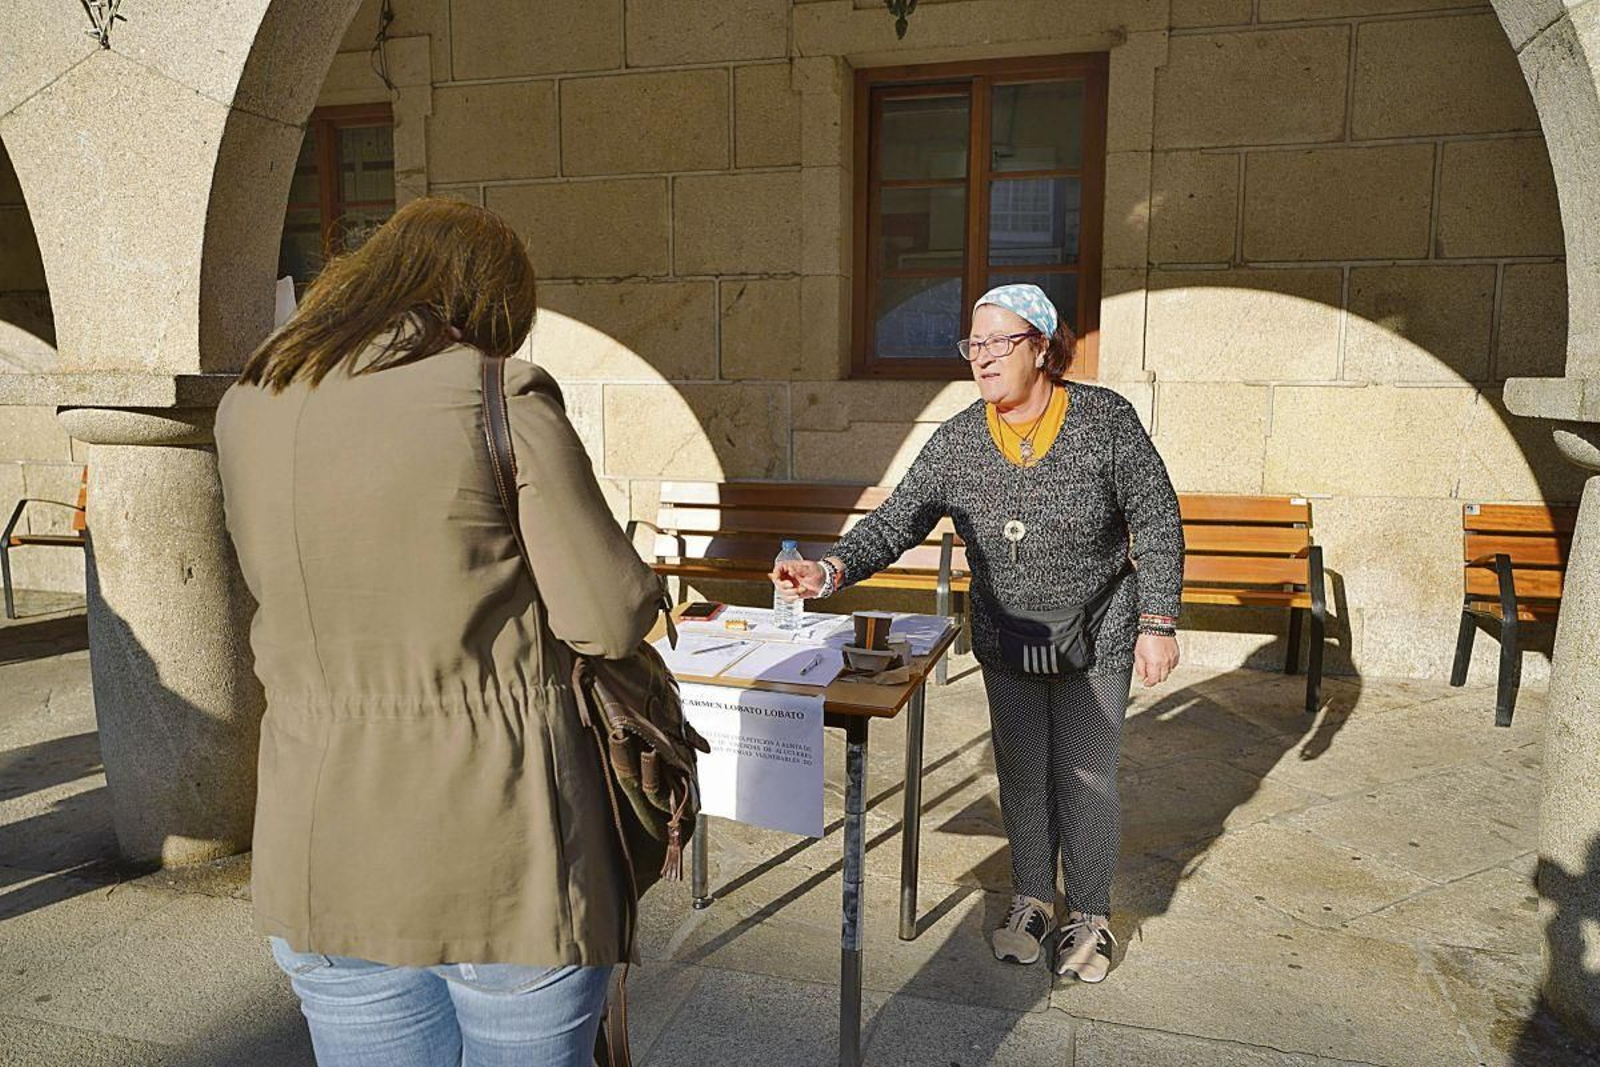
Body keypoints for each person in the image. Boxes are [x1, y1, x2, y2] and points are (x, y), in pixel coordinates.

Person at [215, 197, 663, 1066]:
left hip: (322, 845)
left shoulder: (250, 403)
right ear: (485, 303)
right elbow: (607, 617)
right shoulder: (495, 389)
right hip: (500, 847)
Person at [772, 284, 1184, 984]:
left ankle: (1089, 912)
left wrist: (1158, 621)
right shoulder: (961, 438)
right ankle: (1031, 899)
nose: (982, 357)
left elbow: (1157, 516)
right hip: (1008, 632)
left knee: (1085, 777)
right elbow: (899, 517)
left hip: (1100, 628)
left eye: (1000, 341)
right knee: (1023, 776)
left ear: (1044, 347)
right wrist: (832, 567)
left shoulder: (1105, 420)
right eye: (974, 343)